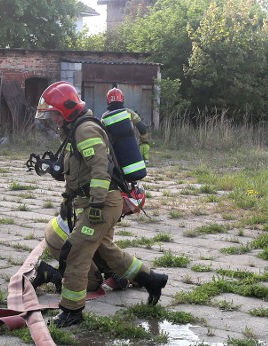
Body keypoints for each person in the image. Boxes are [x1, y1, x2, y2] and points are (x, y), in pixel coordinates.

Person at [34, 81, 168, 327]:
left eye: (54, 114)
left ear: (66, 109)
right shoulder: (75, 130)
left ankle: (72, 310)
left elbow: (99, 169)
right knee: (107, 252)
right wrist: (67, 198)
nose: (52, 120)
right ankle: (152, 280)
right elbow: (77, 173)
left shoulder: (85, 131)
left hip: (103, 203)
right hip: (99, 201)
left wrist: (95, 204)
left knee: (75, 252)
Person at [31, 213, 129, 295]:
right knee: (92, 282)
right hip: (63, 241)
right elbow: (105, 249)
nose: (122, 218)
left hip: (56, 230)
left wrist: (111, 271)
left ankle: (69, 271)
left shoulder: (105, 198)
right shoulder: (109, 213)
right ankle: (50, 274)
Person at [104, 87, 150, 162]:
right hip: (130, 147)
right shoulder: (129, 113)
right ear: (122, 99)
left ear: (108, 101)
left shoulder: (105, 117)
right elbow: (142, 128)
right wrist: (144, 143)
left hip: (113, 150)